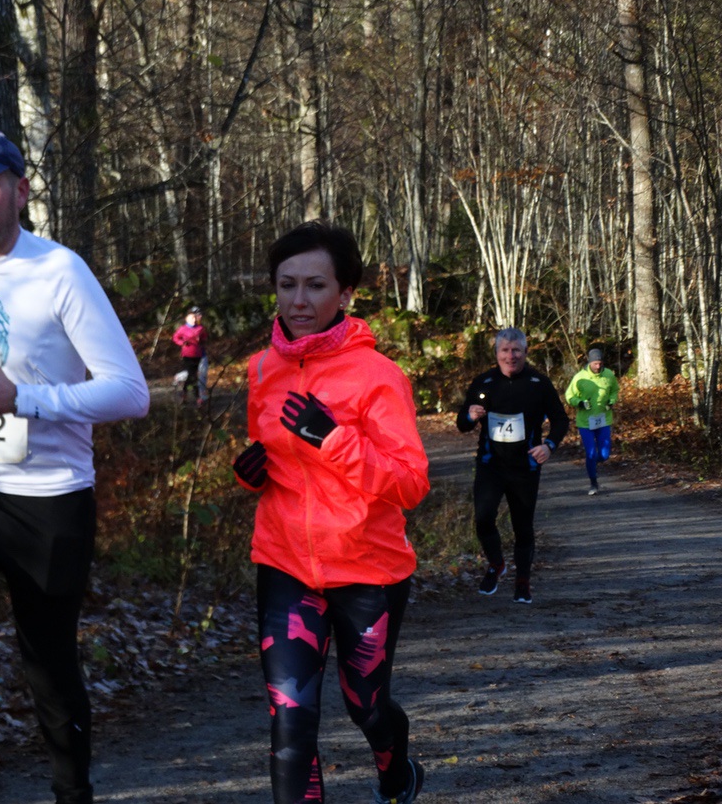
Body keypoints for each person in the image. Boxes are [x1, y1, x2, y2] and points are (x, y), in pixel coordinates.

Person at [0, 126, 150, 804]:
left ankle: (72, 792)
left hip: (50, 495)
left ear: (21, 189)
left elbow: (130, 392)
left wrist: (27, 400)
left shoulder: (59, 272)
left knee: (47, 663)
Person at [232, 221, 430, 804]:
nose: (298, 300)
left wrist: (333, 439)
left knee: (365, 705)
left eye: (315, 285)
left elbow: (411, 484)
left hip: (368, 569)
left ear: (345, 293)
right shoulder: (261, 369)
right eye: (286, 284)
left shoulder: (379, 376)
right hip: (285, 563)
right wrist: (251, 473)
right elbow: (275, 458)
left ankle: (396, 771)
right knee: (290, 717)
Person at [456, 328, 569, 603]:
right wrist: (470, 416)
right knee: (483, 518)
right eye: (505, 350)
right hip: (490, 465)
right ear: (496, 353)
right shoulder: (483, 382)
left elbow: (560, 420)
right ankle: (497, 564)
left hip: (525, 467)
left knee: (523, 526)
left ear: (526, 352)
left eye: (516, 350)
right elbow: (462, 423)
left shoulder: (539, 383)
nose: (511, 356)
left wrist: (549, 445)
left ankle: (523, 581)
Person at [564, 347, 619, 495]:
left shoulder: (608, 375)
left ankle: (593, 463)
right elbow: (569, 396)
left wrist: (611, 401)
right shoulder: (580, 377)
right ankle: (593, 482)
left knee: (604, 455)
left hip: (603, 420)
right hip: (585, 422)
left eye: (600, 363)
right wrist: (580, 403)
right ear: (589, 362)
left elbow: (615, 390)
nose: (598, 366)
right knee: (591, 453)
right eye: (595, 363)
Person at [172, 306, 208, 405]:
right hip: (187, 355)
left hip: (198, 354)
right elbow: (175, 337)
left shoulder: (200, 328)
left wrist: (202, 341)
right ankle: (196, 397)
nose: (194, 319)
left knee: (193, 375)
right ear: (187, 318)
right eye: (192, 317)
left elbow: (204, 337)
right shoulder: (183, 328)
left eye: (195, 317)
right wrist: (182, 343)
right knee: (192, 375)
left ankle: (186, 395)